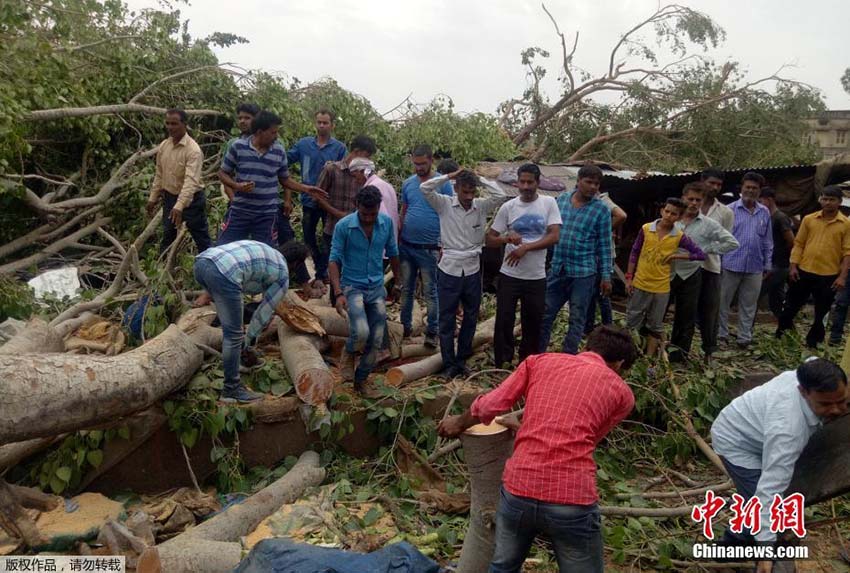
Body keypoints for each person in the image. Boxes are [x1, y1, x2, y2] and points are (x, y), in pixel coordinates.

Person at [437, 326, 638, 573]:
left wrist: (458, 422)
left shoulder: (539, 362)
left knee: (502, 567)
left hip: (519, 490)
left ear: (587, 346)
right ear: (619, 363)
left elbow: (493, 403)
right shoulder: (622, 395)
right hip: (571, 499)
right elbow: (584, 440)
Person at [711, 358, 848, 572]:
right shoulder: (788, 431)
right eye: (825, 404)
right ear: (803, 391)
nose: (837, 410)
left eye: (842, 401)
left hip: (762, 429)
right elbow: (768, 493)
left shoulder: (812, 371)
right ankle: (725, 551)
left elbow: (812, 360)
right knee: (756, 507)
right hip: (736, 442)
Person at [193, 240, 308, 403]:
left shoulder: (267, 250)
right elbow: (261, 315)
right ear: (296, 264)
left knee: (232, 324)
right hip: (224, 273)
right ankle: (231, 389)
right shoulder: (283, 275)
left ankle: (237, 359)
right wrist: (249, 344)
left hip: (202, 263)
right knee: (233, 335)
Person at [421, 169, 507, 378]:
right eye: (464, 192)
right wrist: (450, 175)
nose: (469, 197)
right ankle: (449, 362)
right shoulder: (443, 204)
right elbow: (424, 187)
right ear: (456, 189)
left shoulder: (480, 205)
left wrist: (481, 179)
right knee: (446, 318)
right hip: (449, 268)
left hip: (472, 269)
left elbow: (500, 195)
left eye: (472, 192)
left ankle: (462, 360)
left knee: (470, 316)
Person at [486, 164, 561, 367]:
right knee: (504, 321)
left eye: (530, 182)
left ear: (538, 182)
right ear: (517, 182)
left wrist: (526, 248)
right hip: (509, 275)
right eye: (523, 182)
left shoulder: (548, 203)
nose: (526, 186)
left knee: (533, 322)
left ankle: (527, 364)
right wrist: (507, 238)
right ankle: (502, 363)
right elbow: (490, 239)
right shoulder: (508, 207)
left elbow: (554, 236)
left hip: (536, 277)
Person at [329, 186, 401, 394]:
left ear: (379, 208)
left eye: (373, 213)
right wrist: (338, 293)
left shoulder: (386, 223)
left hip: (376, 286)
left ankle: (361, 380)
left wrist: (398, 283)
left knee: (377, 338)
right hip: (352, 286)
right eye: (364, 214)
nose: (369, 218)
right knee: (361, 332)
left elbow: (394, 253)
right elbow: (334, 260)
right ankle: (349, 352)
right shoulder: (344, 226)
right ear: (356, 207)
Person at [217, 111, 326, 247]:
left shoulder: (279, 151)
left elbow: (285, 179)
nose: (276, 136)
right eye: (273, 132)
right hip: (240, 212)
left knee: (265, 252)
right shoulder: (238, 147)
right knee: (224, 249)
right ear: (260, 132)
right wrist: (236, 186)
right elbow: (222, 173)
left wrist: (306, 189)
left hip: (266, 215)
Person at [538, 164, 611, 355]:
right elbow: (548, 231)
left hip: (584, 273)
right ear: (578, 181)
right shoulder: (560, 201)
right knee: (546, 314)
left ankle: (567, 359)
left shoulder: (601, 210)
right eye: (589, 182)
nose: (593, 187)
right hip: (558, 269)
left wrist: (606, 276)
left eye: (596, 184)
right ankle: (538, 356)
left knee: (576, 318)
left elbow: (604, 245)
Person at [668, 183, 739, 364]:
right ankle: (649, 352)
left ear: (702, 202)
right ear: (683, 198)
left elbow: (732, 243)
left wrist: (706, 249)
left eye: (697, 200)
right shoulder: (672, 220)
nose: (693, 203)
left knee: (686, 316)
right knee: (656, 313)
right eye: (690, 199)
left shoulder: (708, 224)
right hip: (666, 272)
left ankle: (679, 357)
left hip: (691, 274)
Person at [625, 197, 705, 357]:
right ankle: (629, 354)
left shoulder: (679, 236)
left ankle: (649, 358)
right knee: (632, 320)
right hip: (640, 283)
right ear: (662, 211)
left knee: (655, 324)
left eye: (674, 214)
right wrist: (629, 277)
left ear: (680, 217)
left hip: (661, 288)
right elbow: (635, 252)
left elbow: (700, 254)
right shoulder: (647, 229)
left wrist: (676, 256)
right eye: (667, 211)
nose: (669, 216)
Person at [776, 186, 850, 348]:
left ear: (839, 202)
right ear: (820, 199)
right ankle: (781, 337)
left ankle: (813, 343)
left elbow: (847, 253)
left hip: (829, 275)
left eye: (832, 200)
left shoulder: (845, 224)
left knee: (821, 313)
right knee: (790, 307)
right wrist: (793, 266)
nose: (827, 202)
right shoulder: (809, 219)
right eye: (825, 198)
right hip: (803, 271)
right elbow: (799, 244)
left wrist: (842, 277)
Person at [398, 144, 454, 347]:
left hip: (430, 248)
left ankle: (432, 331)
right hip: (407, 245)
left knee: (431, 291)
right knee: (406, 289)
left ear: (431, 160)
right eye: (415, 163)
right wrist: (398, 236)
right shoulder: (407, 184)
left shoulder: (443, 184)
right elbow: (403, 211)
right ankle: (404, 327)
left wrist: (445, 243)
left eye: (422, 163)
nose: (419, 167)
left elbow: (449, 214)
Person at [286, 108, 347, 288]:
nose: (321, 125)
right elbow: (285, 162)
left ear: (332, 125)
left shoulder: (339, 148)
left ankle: (321, 273)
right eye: (319, 122)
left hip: (329, 202)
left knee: (328, 238)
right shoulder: (304, 144)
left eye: (325, 122)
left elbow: (345, 172)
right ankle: (320, 268)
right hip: (308, 201)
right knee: (308, 238)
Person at [313, 135, 378, 301]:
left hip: (357, 232)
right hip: (333, 228)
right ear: (356, 152)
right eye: (366, 155)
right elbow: (318, 197)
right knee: (335, 268)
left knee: (353, 271)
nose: (368, 160)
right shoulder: (331, 170)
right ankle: (336, 309)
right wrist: (338, 214)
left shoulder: (366, 174)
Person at [146, 108, 212, 254]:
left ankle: (211, 267)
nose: (170, 127)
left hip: (192, 201)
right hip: (170, 197)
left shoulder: (193, 150)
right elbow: (159, 173)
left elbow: (191, 181)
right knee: (168, 236)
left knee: (201, 239)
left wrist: (180, 205)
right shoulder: (164, 145)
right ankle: (164, 271)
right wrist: (153, 197)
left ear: (184, 124)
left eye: (174, 124)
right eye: (168, 123)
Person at [719, 172, 773, 348]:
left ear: (759, 191)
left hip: (755, 266)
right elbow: (721, 238)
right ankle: (721, 335)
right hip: (730, 263)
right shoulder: (730, 210)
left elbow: (767, 240)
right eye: (747, 187)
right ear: (741, 189)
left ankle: (744, 338)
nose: (750, 190)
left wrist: (768, 264)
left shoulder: (764, 212)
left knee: (749, 305)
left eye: (754, 188)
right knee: (723, 302)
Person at [697, 168, 734, 358]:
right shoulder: (689, 204)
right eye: (711, 183)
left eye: (718, 185)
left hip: (711, 266)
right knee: (684, 310)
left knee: (710, 311)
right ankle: (678, 351)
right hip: (685, 267)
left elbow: (726, 240)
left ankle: (709, 351)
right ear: (702, 181)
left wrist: (706, 249)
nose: (715, 187)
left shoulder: (725, 212)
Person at [584, 190, 627, 334]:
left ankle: (607, 328)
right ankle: (589, 327)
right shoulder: (584, 202)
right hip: (590, 254)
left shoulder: (602, 199)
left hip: (603, 254)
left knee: (602, 292)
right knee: (591, 292)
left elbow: (621, 215)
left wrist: (604, 230)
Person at [758, 187, 795, 319]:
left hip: (778, 265)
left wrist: (785, 259)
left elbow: (791, 241)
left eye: (760, 201)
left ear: (769, 200)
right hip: (771, 264)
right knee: (776, 300)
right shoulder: (766, 217)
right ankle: (786, 330)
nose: (759, 204)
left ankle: (746, 332)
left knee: (755, 295)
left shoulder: (780, 217)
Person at [348, 158, 399, 239]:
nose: (354, 180)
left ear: (361, 171)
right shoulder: (387, 185)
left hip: (378, 242)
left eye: (354, 176)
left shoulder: (372, 189)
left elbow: (380, 218)